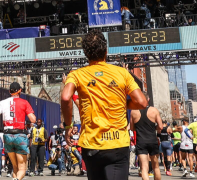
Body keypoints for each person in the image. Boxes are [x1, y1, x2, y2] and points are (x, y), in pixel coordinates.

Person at [61, 30, 148, 180]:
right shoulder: (122, 73)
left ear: (86, 53)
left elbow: (65, 97)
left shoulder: (76, 74)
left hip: (91, 144)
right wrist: (121, 103)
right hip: (117, 144)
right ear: (106, 51)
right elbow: (142, 102)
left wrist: (68, 126)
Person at [0, 82, 38, 180]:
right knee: (22, 168)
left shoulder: (2, 102)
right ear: (20, 90)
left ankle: (15, 178)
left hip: (7, 135)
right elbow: (33, 119)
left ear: (9, 91)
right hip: (20, 134)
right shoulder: (24, 102)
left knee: (15, 167)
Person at [131, 105, 164, 180]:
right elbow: (160, 127)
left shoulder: (134, 111)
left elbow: (132, 128)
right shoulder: (154, 110)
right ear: (148, 99)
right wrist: (153, 128)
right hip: (152, 140)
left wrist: (140, 128)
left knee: (144, 168)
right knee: (156, 167)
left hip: (141, 141)